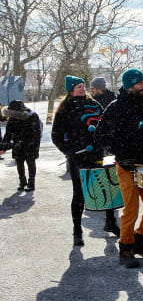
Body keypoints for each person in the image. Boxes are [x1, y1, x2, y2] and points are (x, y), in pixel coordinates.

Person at [95, 68, 143, 268]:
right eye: (139, 84)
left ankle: (140, 240)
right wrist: (119, 154)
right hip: (126, 166)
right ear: (129, 86)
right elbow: (100, 135)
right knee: (131, 209)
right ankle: (126, 246)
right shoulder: (115, 107)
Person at [51, 76, 120, 246]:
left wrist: (106, 141)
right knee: (79, 193)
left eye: (83, 86)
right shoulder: (65, 109)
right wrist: (69, 150)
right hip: (78, 157)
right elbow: (56, 135)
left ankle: (110, 222)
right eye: (78, 87)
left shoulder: (94, 105)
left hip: (97, 154)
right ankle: (77, 230)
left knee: (107, 188)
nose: (82, 89)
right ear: (71, 90)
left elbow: (105, 125)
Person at [1, 100, 41, 191]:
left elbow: (37, 133)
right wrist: (4, 145)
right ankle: (22, 182)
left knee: (30, 162)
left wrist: (34, 146)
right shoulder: (13, 116)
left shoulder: (32, 116)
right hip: (17, 144)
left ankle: (31, 183)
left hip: (30, 144)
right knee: (19, 162)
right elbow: (8, 133)